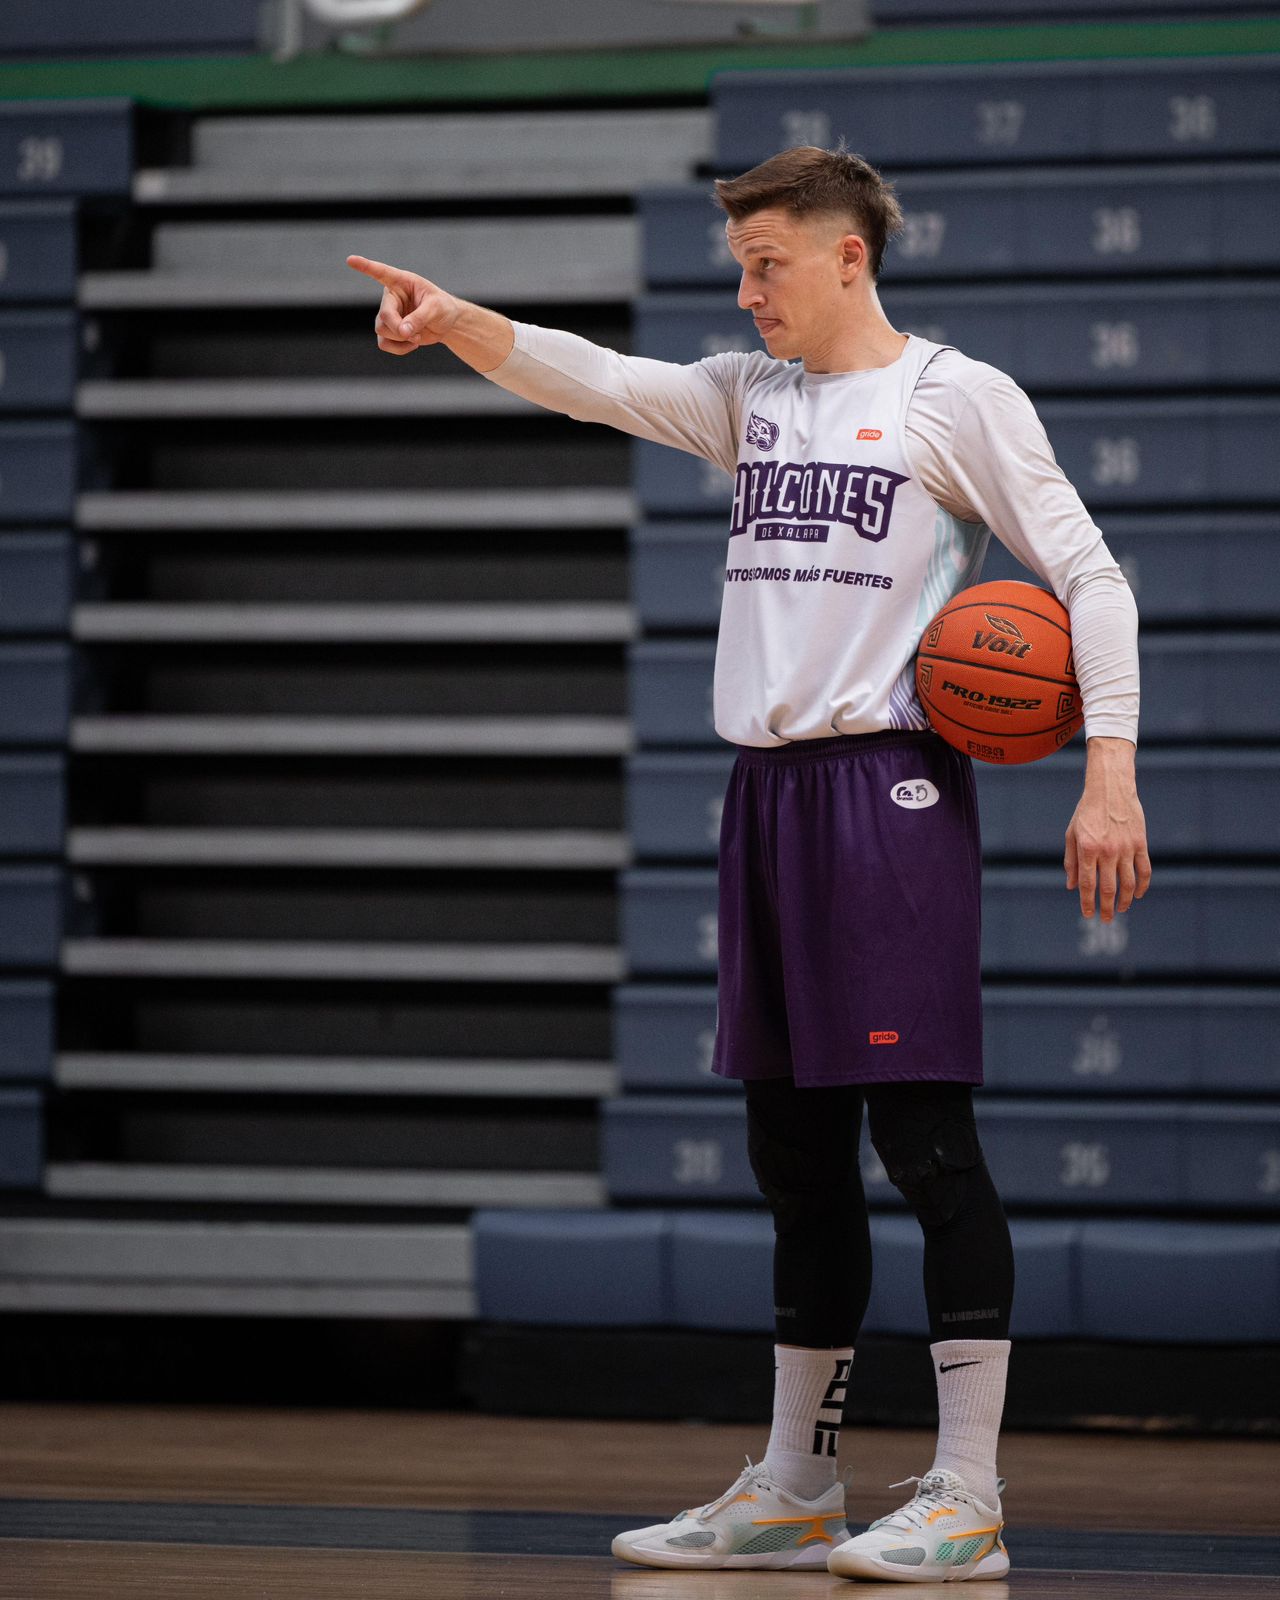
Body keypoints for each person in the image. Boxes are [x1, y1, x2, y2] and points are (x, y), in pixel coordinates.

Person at [349, 144, 1150, 1584]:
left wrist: (1110, 773)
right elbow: (598, 380)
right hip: (766, 798)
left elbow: (1091, 577)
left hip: (890, 791)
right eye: (739, 265)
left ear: (849, 255)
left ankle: (969, 1497)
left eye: (766, 263)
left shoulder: (955, 397)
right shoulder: (748, 397)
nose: (746, 291)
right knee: (794, 1158)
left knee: (927, 1147)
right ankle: (796, 1485)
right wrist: (460, 320)